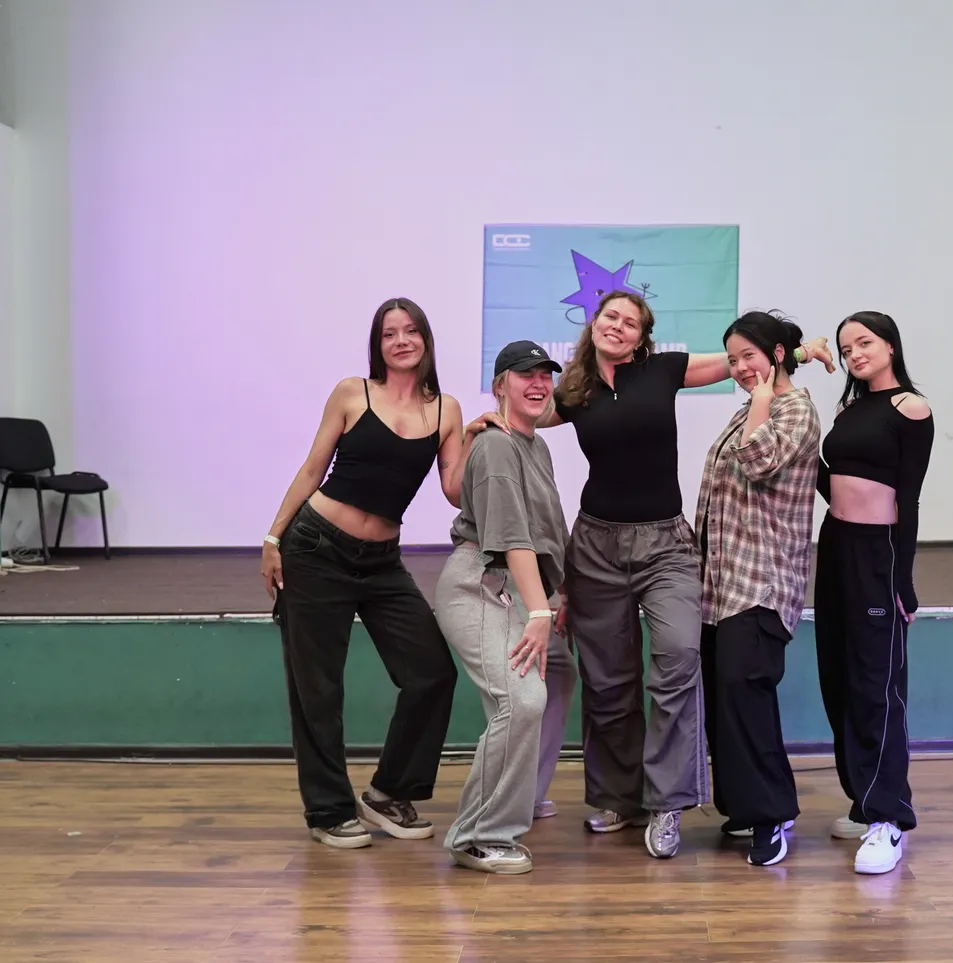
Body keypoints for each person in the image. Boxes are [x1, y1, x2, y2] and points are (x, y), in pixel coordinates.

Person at [499, 290, 833, 860]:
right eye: (611, 317)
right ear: (594, 323)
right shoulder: (574, 390)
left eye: (631, 322)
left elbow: (741, 363)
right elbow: (527, 417)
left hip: (666, 545)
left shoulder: (663, 370)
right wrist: (493, 420)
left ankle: (668, 803)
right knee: (607, 682)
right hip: (595, 546)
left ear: (642, 336)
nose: (619, 327)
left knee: (679, 657)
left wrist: (800, 351)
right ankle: (619, 799)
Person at [260, 297, 463, 850]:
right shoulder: (353, 393)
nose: (401, 341)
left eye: (410, 331)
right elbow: (312, 468)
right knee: (318, 689)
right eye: (389, 333)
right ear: (378, 345)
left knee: (431, 672)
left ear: (426, 339)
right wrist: (274, 537)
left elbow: (454, 489)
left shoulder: (446, 410)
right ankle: (328, 810)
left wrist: (488, 436)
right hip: (315, 548)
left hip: (381, 563)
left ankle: (389, 792)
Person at [434, 340, 576, 875]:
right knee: (522, 698)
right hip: (482, 581)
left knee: (557, 673)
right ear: (500, 386)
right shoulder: (496, 445)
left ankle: (522, 794)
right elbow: (513, 537)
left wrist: (558, 595)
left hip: (520, 585)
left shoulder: (534, 446)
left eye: (545, 375)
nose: (538, 383)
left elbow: (548, 530)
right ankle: (478, 834)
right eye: (525, 375)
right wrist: (540, 613)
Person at [695, 311, 821, 867]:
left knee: (746, 696)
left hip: (763, 582)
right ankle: (747, 807)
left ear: (776, 355)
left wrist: (765, 397)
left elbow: (759, 461)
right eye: (733, 359)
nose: (740, 367)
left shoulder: (794, 409)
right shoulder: (753, 407)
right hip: (722, 585)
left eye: (749, 355)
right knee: (725, 699)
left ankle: (772, 815)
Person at [814, 310, 934, 875]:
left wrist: (902, 577)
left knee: (876, 683)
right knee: (837, 677)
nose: (855, 354)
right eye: (846, 348)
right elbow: (831, 481)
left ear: (889, 345)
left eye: (864, 343)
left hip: (877, 553)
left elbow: (909, 498)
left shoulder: (911, 408)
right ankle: (862, 801)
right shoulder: (847, 409)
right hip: (835, 545)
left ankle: (889, 818)